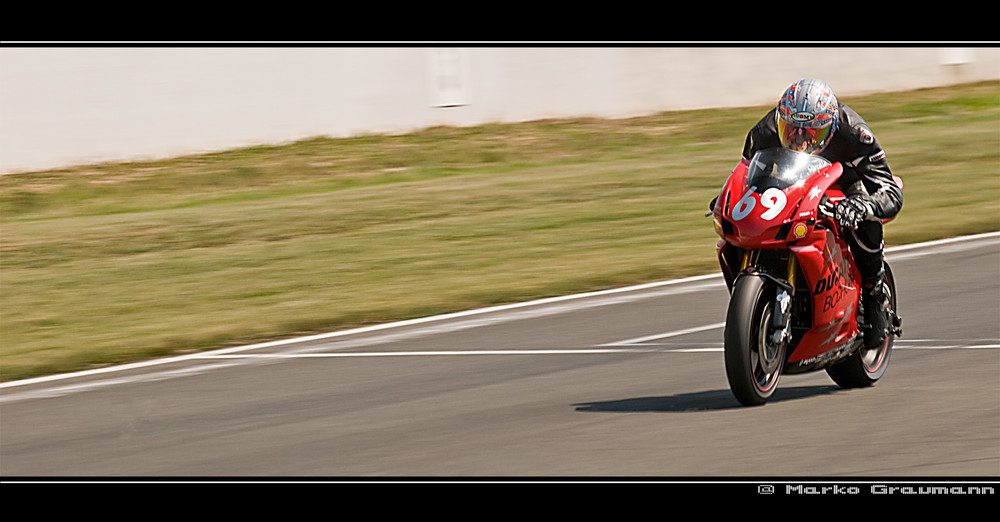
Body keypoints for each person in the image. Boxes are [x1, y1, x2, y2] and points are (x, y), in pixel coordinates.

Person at [741, 78, 903, 349]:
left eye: (811, 133)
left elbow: (890, 190)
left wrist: (862, 206)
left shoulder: (854, 133)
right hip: (791, 181)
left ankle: (874, 294)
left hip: (844, 181)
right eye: (791, 129)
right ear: (781, 120)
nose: (800, 139)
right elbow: (745, 174)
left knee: (865, 213)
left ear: (830, 126)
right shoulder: (765, 131)